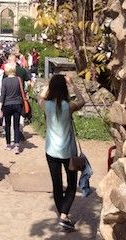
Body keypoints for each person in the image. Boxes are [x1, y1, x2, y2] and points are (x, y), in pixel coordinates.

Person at [38, 74, 85, 232]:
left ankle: (62, 216)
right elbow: (82, 101)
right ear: (64, 88)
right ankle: (64, 216)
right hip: (68, 151)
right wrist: (72, 84)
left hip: (51, 151)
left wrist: (48, 85)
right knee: (71, 185)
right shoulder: (69, 106)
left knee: (57, 185)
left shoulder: (46, 105)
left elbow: (40, 97)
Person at [0, 62, 23, 154]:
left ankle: (8, 144)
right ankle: (16, 145)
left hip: (7, 104)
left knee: (7, 125)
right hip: (17, 103)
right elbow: (21, 92)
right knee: (16, 125)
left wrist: (0, 107)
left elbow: (2, 95)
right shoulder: (18, 79)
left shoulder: (4, 81)